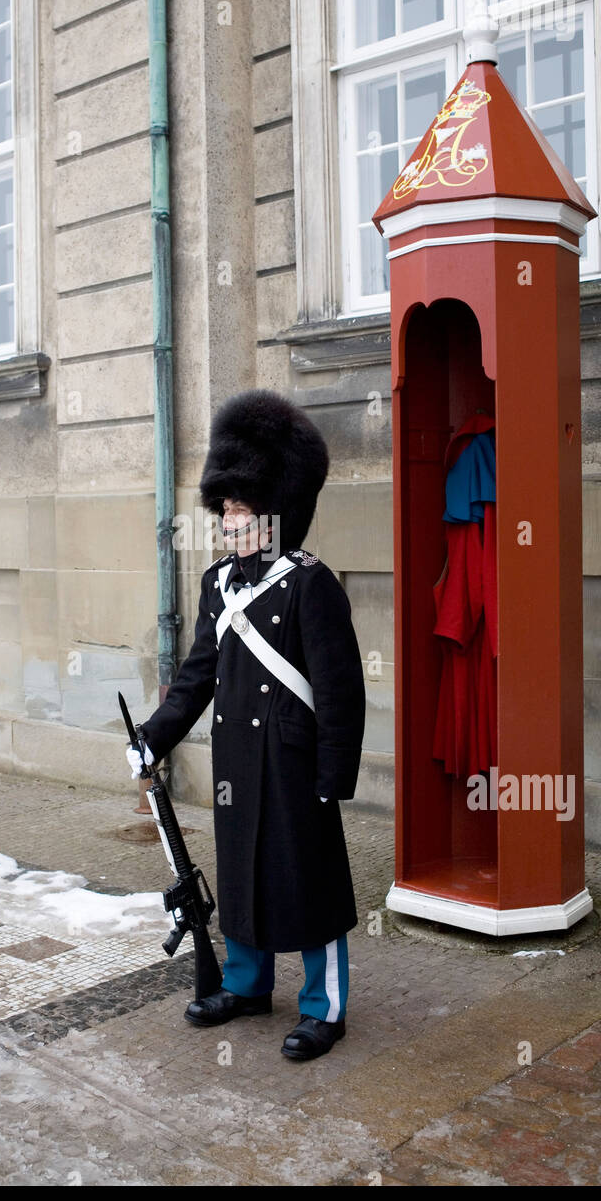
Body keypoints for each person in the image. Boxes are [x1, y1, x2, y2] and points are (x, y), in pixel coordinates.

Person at [125, 388, 366, 1060]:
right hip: (237, 759)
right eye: (225, 507)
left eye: (240, 506)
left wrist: (332, 777)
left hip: (293, 762)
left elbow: (341, 691)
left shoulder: (310, 584)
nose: (229, 519)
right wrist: (153, 735)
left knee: (310, 885)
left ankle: (325, 1007)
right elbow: (197, 676)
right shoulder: (218, 586)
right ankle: (247, 984)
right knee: (242, 877)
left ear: (275, 511)